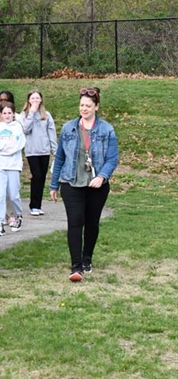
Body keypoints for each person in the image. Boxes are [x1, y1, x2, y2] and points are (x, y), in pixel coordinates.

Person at [50, 87, 118, 282]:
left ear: (96, 106)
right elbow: (60, 157)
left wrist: (102, 176)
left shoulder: (107, 130)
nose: (84, 109)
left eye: (88, 105)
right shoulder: (68, 128)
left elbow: (112, 159)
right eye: (81, 105)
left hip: (96, 185)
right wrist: (54, 185)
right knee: (75, 221)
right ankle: (76, 266)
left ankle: (87, 258)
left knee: (91, 223)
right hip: (71, 182)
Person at [0, 102, 26, 237]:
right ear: (1, 115)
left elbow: (16, 146)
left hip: (14, 165)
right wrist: (3, 146)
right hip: (0, 166)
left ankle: (18, 215)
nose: (7, 115)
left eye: (10, 113)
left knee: (13, 194)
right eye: (5, 113)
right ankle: (0, 222)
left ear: (13, 114)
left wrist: (2, 147)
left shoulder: (17, 128)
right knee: (1, 195)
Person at [20, 90, 57, 216]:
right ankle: (33, 205)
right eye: (32, 98)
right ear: (29, 100)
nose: (35, 100)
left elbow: (51, 133)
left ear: (41, 100)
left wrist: (55, 150)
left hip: (44, 151)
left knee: (42, 177)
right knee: (36, 176)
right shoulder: (24, 115)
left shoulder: (46, 115)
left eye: (37, 98)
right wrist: (31, 112)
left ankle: (38, 205)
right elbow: (25, 129)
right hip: (32, 151)